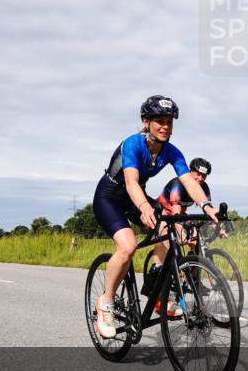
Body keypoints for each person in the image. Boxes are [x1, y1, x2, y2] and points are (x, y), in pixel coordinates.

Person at [92, 96, 218, 338]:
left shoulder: (172, 151)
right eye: (159, 121)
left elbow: (187, 181)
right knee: (127, 247)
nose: (165, 127)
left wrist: (206, 206)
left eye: (169, 122)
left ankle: (159, 292)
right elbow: (130, 181)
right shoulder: (133, 144)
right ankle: (106, 302)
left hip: (136, 197)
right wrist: (144, 206)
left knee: (170, 234)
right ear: (146, 121)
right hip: (110, 198)